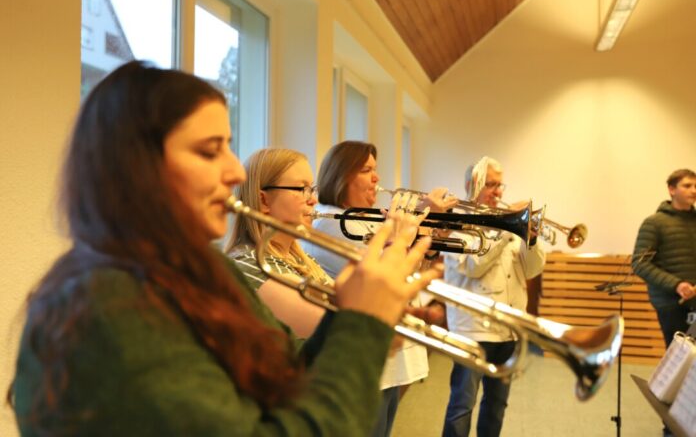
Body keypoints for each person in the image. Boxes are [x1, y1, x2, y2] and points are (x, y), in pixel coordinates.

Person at [9, 61, 443, 436]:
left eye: (229, 148)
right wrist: (361, 330)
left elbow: (286, 369)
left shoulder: (203, 268)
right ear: (139, 168)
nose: (235, 171)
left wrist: (353, 321)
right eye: (209, 151)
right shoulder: (108, 308)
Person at [305, 140, 456, 437]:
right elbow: (386, 278)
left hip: (384, 351)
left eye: (376, 169)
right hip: (362, 353)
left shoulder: (364, 219)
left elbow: (410, 276)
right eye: (366, 170)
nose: (377, 178)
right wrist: (420, 224)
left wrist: (426, 241)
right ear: (340, 176)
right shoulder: (334, 223)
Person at [441, 156, 545, 437]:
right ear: (471, 185)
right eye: (491, 184)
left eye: (500, 185)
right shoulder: (457, 221)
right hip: (472, 330)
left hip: (508, 330)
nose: (498, 191)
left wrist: (530, 237)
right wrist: (504, 228)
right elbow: (474, 267)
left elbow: (533, 269)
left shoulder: (509, 223)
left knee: (497, 405)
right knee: (462, 404)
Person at [225, 147, 330, 338]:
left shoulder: (300, 259)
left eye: (312, 189)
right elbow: (337, 329)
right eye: (302, 189)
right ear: (263, 201)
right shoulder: (248, 264)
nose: (313, 200)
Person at [631, 168, 696, 349]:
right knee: (678, 357)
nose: (694, 190)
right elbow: (639, 263)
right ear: (672, 189)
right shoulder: (654, 223)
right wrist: (677, 285)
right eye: (687, 186)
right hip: (671, 303)